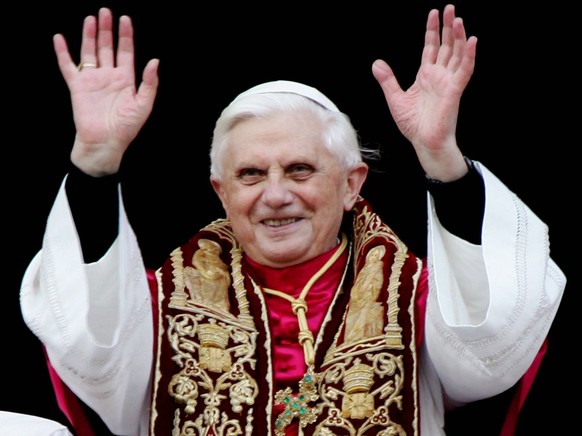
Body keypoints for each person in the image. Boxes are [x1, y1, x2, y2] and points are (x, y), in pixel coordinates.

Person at [19, 4, 566, 436]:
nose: (275, 195)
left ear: (352, 185)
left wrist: (442, 157)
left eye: (300, 170)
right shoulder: (159, 305)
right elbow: (91, 343)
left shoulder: (413, 295)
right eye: (251, 175)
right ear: (222, 192)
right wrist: (95, 163)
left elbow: (492, 340)